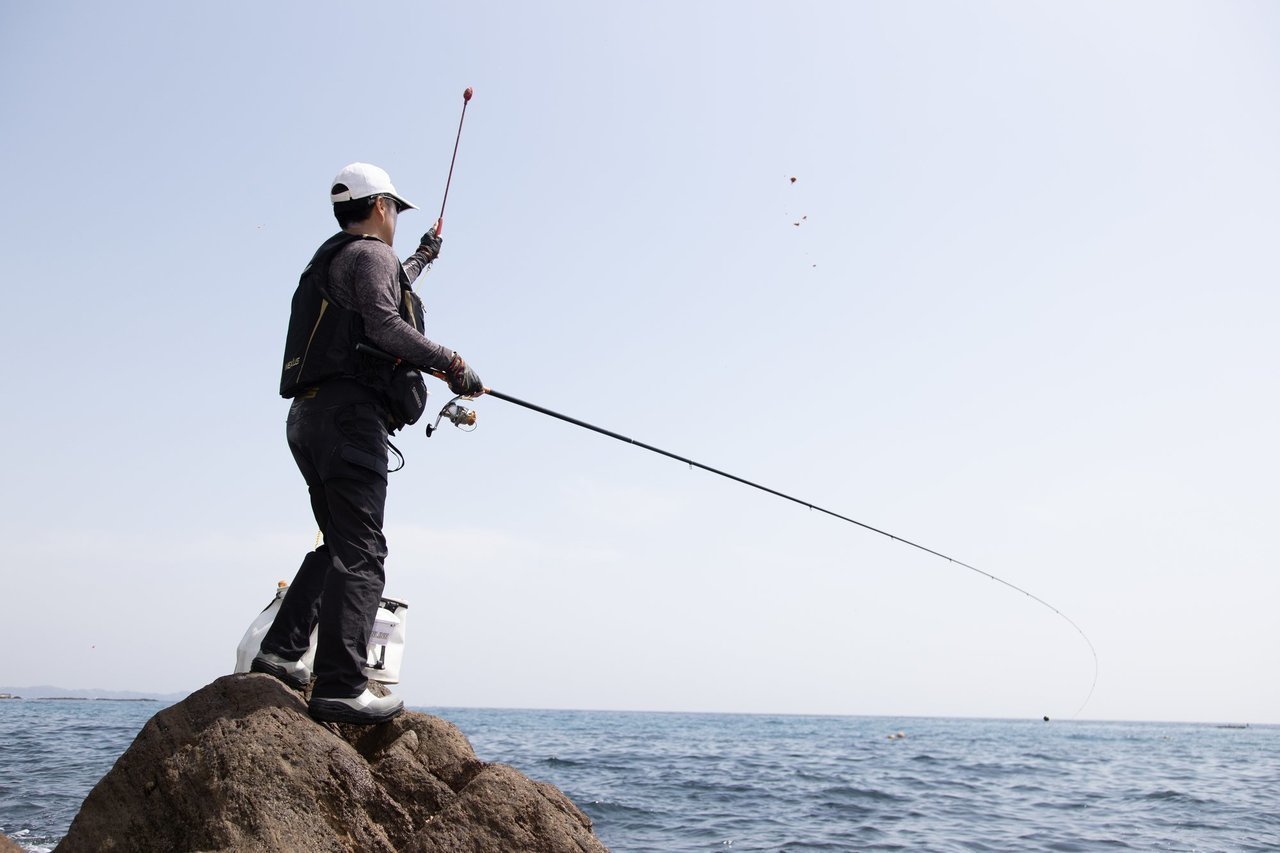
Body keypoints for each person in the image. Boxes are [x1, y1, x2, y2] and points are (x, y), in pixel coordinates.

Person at [252, 162, 484, 724]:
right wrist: (452, 364)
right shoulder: (371, 256)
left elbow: (380, 292)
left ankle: (280, 653)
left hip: (308, 418)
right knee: (361, 553)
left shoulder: (337, 258)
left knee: (338, 543)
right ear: (381, 206)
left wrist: (426, 256)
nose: (398, 221)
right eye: (397, 211)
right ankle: (340, 686)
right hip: (350, 421)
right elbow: (383, 322)